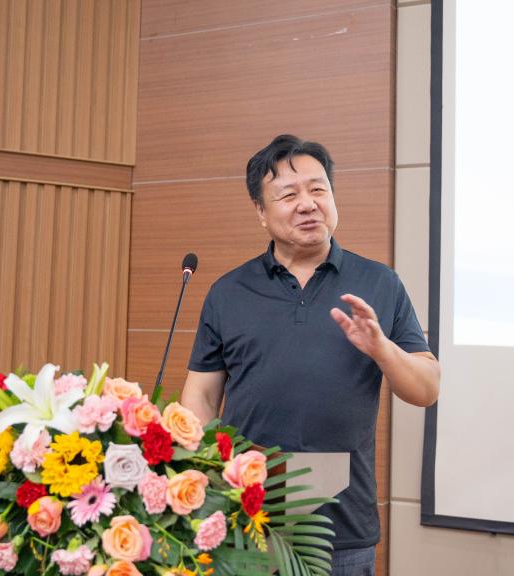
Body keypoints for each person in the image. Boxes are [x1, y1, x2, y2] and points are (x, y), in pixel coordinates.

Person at [182, 134, 440, 576]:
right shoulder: (228, 291)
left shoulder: (379, 283)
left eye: (318, 189)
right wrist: (208, 477)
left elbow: (427, 389)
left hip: (343, 529)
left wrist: (382, 349)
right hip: (246, 520)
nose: (308, 204)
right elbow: (201, 398)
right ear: (261, 211)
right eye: (288, 195)